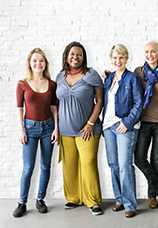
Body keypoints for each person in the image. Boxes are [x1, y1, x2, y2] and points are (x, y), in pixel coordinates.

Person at [56, 41, 103, 215]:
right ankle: (74, 198)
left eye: (79, 54)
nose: (75, 57)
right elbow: (55, 104)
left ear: (84, 57)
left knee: (88, 164)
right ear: (66, 56)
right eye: (72, 54)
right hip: (65, 131)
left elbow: (100, 101)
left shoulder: (91, 75)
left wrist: (90, 123)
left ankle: (93, 201)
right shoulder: (60, 77)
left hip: (88, 130)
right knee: (69, 166)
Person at [13, 48, 58, 217]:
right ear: (30, 63)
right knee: (28, 168)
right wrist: (21, 130)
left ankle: (40, 199)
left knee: (46, 165)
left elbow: (54, 108)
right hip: (29, 129)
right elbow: (19, 108)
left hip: (48, 128)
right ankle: (22, 202)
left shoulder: (51, 84)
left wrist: (56, 129)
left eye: (41, 61)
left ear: (45, 63)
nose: (38, 63)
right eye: (34, 61)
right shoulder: (22, 84)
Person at [102, 44, 143, 218]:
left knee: (125, 165)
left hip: (125, 126)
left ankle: (129, 204)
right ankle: (119, 199)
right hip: (108, 126)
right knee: (113, 165)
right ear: (111, 59)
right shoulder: (109, 78)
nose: (117, 61)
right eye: (115, 58)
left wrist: (127, 122)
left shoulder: (132, 78)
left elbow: (138, 103)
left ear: (126, 59)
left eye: (121, 57)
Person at [134, 41, 158, 209]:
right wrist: (110, 75)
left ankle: (152, 197)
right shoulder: (138, 73)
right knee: (140, 158)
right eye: (147, 51)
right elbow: (126, 83)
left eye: (153, 51)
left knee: (155, 160)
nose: (150, 54)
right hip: (144, 122)